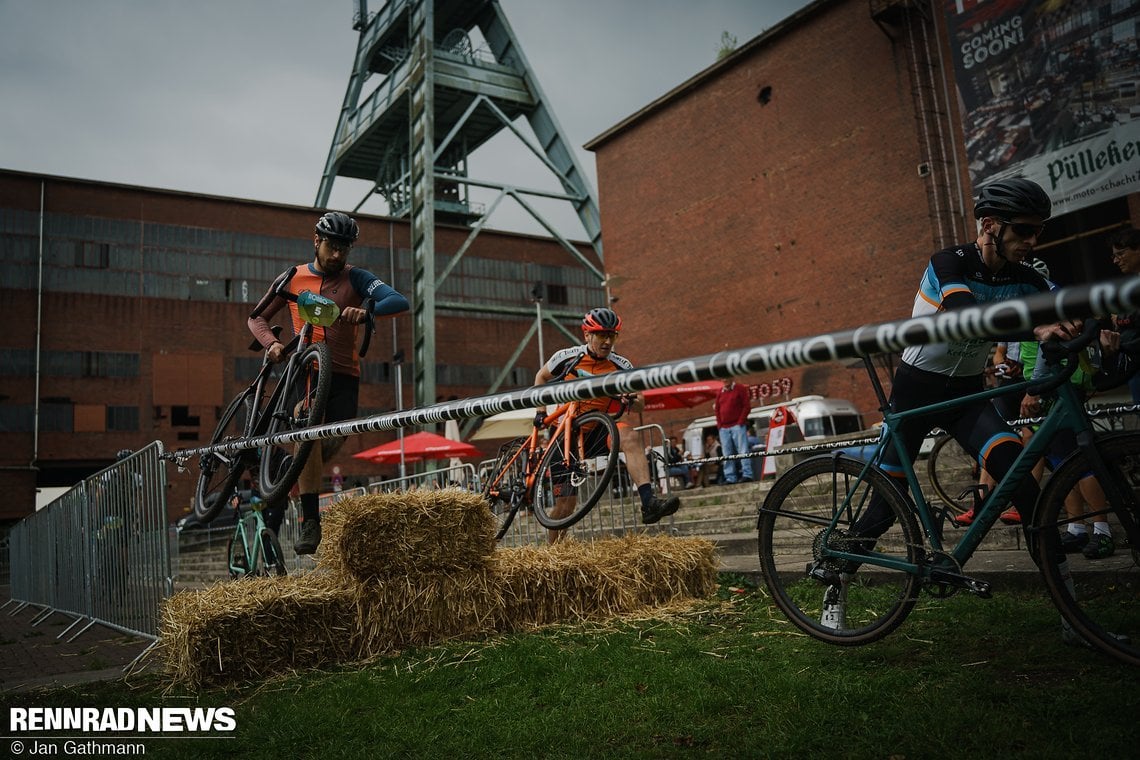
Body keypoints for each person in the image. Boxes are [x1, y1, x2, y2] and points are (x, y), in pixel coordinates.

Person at [830, 177, 1078, 630]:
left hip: (966, 396)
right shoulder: (949, 261)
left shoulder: (1023, 276)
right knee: (885, 507)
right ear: (989, 226)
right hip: (916, 393)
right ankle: (834, 583)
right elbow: (966, 317)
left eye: (1038, 231)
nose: (1032, 241)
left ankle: (1073, 618)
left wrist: (1094, 326)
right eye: (1023, 230)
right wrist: (1035, 329)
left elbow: (1063, 305)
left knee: (1023, 484)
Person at [248, 211, 409, 554]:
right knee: (309, 431)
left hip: (344, 376)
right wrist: (272, 344)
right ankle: (310, 522)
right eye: (332, 247)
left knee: (326, 443)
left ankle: (292, 462)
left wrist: (367, 312)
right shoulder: (293, 277)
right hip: (304, 370)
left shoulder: (357, 277)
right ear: (317, 242)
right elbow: (257, 317)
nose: (337, 255)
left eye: (344, 249)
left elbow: (399, 300)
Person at [533, 307, 680, 542]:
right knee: (565, 506)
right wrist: (541, 411)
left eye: (612, 335)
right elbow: (541, 377)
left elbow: (640, 402)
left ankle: (648, 502)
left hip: (598, 427)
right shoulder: (567, 356)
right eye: (601, 335)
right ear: (587, 335)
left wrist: (633, 398)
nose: (608, 341)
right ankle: (554, 555)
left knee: (630, 435)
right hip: (566, 434)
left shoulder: (621, 365)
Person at [714, 379, 754, 484]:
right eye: (723, 378)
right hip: (724, 427)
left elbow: (747, 406)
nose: (725, 380)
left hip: (737, 425)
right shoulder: (720, 392)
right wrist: (719, 425)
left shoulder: (740, 389)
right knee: (726, 453)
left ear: (732, 378)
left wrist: (740, 421)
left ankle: (747, 474)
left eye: (727, 378)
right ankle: (730, 477)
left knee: (743, 450)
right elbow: (717, 409)